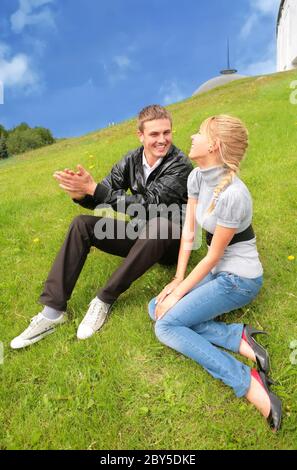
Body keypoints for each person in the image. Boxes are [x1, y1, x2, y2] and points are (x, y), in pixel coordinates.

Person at [11, 105, 192, 349]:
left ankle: (103, 300)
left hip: (172, 241)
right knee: (81, 225)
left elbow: (150, 204)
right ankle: (52, 311)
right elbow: (102, 195)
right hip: (141, 236)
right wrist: (81, 194)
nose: (162, 140)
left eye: (166, 132)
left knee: (160, 223)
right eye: (154, 134)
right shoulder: (131, 159)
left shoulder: (180, 165)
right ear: (140, 136)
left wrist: (97, 190)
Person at [148, 115, 282, 432]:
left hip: (239, 280)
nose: (191, 136)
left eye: (200, 133)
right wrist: (178, 280)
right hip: (218, 271)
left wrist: (179, 294)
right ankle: (237, 337)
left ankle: (247, 382)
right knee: (156, 306)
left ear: (214, 145)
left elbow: (212, 256)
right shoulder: (197, 178)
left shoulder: (235, 194)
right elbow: (190, 234)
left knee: (165, 327)